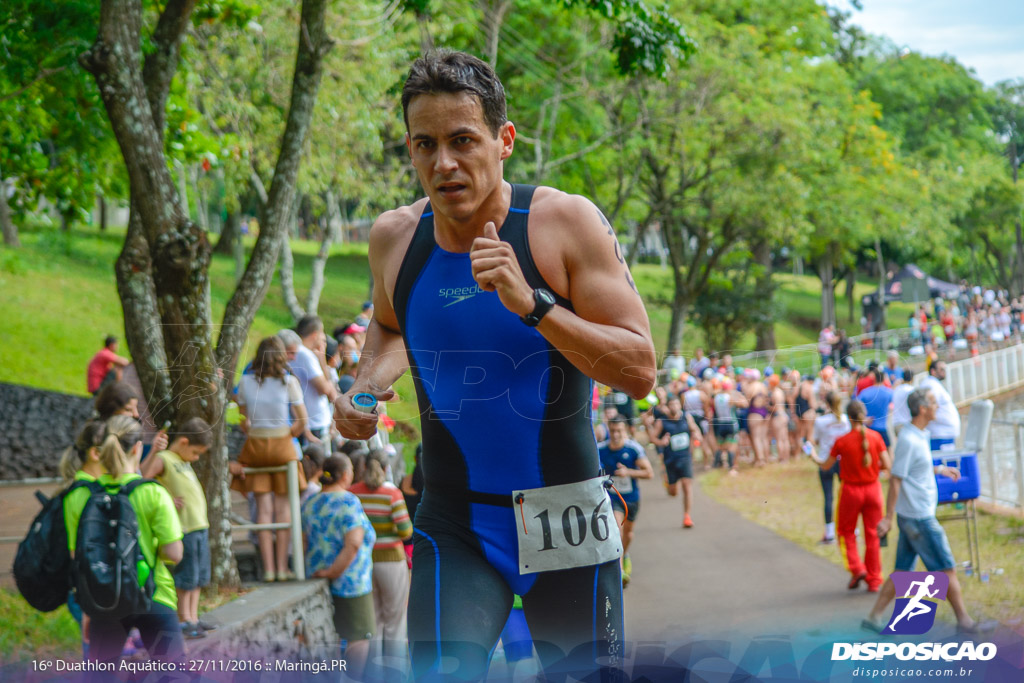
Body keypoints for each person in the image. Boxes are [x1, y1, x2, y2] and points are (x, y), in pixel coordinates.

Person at [334, 49, 656, 680]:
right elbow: (394, 324)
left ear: (504, 140)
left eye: (462, 140)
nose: (443, 163)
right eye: (425, 145)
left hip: (564, 513)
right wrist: (364, 388)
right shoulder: (395, 238)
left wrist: (533, 305)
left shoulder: (562, 223)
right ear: (409, 149)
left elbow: (640, 368)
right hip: (454, 518)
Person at [863, 389, 990, 634]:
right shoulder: (909, 440)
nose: (937, 406)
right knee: (946, 568)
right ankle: (964, 620)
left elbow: (918, 465)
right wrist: (888, 517)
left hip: (914, 516)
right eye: (933, 403)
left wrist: (941, 469)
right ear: (922, 409)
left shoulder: (918, 435)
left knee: (902, 571)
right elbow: (896, 478)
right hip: (919, 518)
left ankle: (875, 616)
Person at [64, 415, 185, 670]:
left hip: (103, 601)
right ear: (138, 448)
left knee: (100, 676)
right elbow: (174, 553)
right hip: (154, 595)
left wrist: (87, 610)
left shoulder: (79, 496)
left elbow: (78, 558)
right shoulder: (153, 492)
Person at [232, 336, 310, 582]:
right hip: (282, 446)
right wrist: (288, 435)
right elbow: (302, 420)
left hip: (255, 447)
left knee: (263, 510)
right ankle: (282, 567)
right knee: (283, 509)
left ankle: (267, 568)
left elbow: (244, 421)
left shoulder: (245, 382)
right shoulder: (288, 382)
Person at [302, 454, 376, 678]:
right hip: (350, 581)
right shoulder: (348, 501)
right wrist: (334, 571)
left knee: (331, 636)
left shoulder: (310, 502)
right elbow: (353, 543)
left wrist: (323, 571)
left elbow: (305, 541)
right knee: (359, 636)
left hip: (316, 577)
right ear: (345, 474)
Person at [140, 417, 214, 639]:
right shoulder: (165, 459)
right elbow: (144, 479)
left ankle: (193, 617)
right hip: (185, 529)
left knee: (199, 576)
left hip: (199, 525)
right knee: (186, 577)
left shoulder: (184, 461)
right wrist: (166, 498)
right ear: (183, 443)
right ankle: (184, 620)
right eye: (196, 452)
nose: (196, 457)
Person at [816, 400, 891, 592]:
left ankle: (857, 568)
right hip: (873, 490)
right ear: (863, 415)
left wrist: (813, 457)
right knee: (873, 534)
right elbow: (887, 464)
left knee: (846, 531)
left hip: (851, 491)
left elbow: (826, 465)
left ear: (848, 417)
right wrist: (874, 468)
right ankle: (874, 580)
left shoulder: (841, 441)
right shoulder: (875, 437)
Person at [349, 449, 414, 660]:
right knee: (395, 620)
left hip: (364, 562)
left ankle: (373, 671)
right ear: (387, 468)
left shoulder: (354, 492)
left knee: (374, 619)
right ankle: (395, 671)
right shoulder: (392, 493)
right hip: (392, 562)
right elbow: (406, 532)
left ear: (364, 466)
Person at [598, 416, 653, 583]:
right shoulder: (600, 449)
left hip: (631, 498)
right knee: (616, 529)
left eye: (619, 431)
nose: (616, 435)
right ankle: (619, 570)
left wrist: (629, 472)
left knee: (628, 534)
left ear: (626, 431)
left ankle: (624, 553)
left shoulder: (634, 449)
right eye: (613, 431)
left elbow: (649, 473)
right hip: (612, 498)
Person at [653, 394, 703, 527]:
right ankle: (668, 482)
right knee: (673, 493)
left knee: (687, 485)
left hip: (685, 457)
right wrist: (661, 441)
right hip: (670, 459)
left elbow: (694, 429)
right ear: (668, 407)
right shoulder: (662, 421)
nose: (674, 407)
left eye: (676, 404)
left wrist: (697, 434)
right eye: (671, 405)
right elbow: (653, 438)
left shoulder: (686, 417)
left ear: (680, 405)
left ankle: (687, 516)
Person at [291, 315, 339, 447]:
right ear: (315, 334)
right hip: (314, 421)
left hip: (305, 420)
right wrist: (322, 359)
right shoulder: (305, 355)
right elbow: (325, 389)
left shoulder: (296, 351)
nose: (324, 337)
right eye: (322, 333)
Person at [810, 392, 851, 545]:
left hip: (826, 459)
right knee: (847, 496)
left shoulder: (821, 421)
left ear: (826, 403)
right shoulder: (845, 420)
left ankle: (829, 533)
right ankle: (852, 530)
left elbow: (815, 440)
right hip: (843, 461)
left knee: (828, 497)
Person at [917, 361, 961, 451]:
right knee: (942, 464)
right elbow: (929, 406)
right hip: (940, 434)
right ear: (933, 371)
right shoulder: (931, 385)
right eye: (941, 369)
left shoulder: (932, 383)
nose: (944, 371)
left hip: (943, 433)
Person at [858, 368, 894, 451]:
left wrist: (864, 419)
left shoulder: (865, 392)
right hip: (882, 428)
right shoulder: (888, 392)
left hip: (868, 427)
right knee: (888, 451)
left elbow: (855, 406)